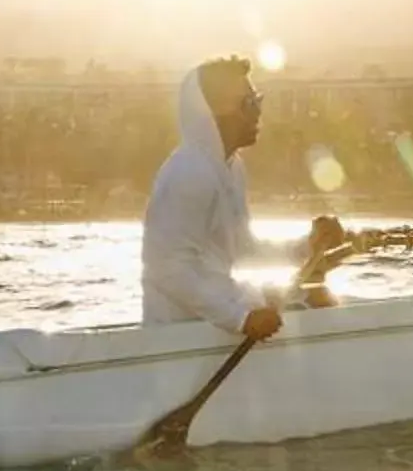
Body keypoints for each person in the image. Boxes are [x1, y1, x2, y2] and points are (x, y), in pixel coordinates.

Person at [140, 57, 346, 337]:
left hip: (215, 314)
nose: (258, 113)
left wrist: (306, 247)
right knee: (316, 301)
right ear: (214, 113)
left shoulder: (231, 166)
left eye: (258, 101)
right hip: (178, 333)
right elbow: (168, 272)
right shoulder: (189, 172)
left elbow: (244, 248)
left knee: (318, 296)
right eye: (249, 104)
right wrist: (239, 319)